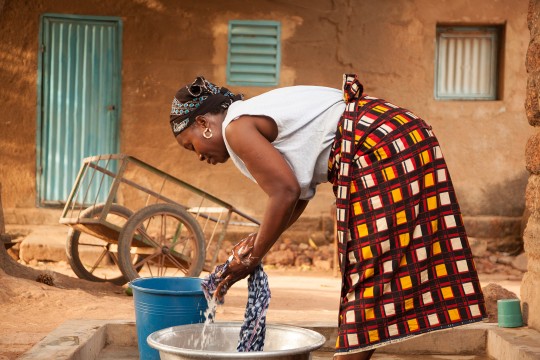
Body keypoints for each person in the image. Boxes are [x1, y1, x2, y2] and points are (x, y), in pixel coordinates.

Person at [169, 74, 487, 359]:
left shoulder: (236, 128)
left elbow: (285, 192)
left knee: (369, 265)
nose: (198, 155)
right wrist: (253, 245)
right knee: (381, 264)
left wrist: (253, 258)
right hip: (394, 135)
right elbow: (296, 195)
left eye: (190, 146)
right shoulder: (246, 118)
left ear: (203, 124)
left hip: (377, 145)